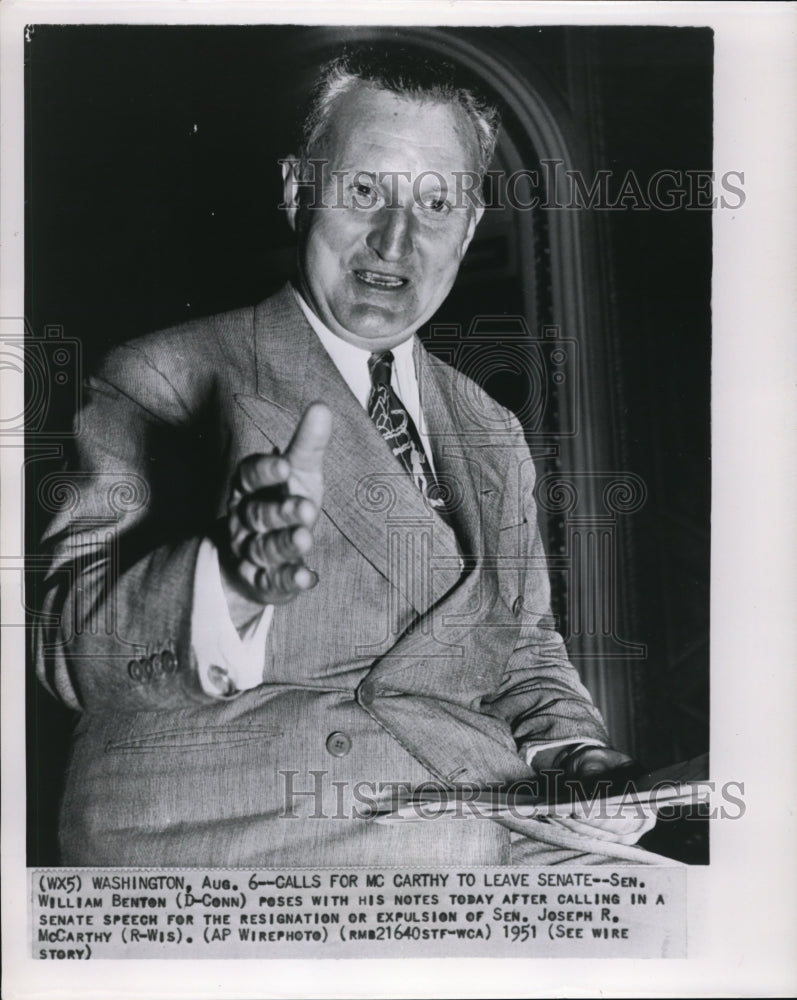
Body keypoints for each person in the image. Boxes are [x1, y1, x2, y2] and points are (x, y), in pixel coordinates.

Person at [36, 45, 657, 867]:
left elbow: (525, 649)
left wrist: (577, 755)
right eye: (364, 191)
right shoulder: (166, 375)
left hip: (491, 819)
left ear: (468, 227)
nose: (393, 242)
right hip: (249, 831)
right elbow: (67, 650)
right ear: (297, 189)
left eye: (435, 203)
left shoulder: (490, 430)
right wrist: (224, 582)